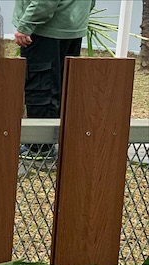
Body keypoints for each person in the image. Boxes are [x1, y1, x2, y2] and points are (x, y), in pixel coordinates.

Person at [13, 0, 94, 160]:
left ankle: (40, 147)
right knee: (60, 85)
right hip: (71, 24)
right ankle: (49, 142)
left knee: (42, 86)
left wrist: (26, 24)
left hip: (46, 29)